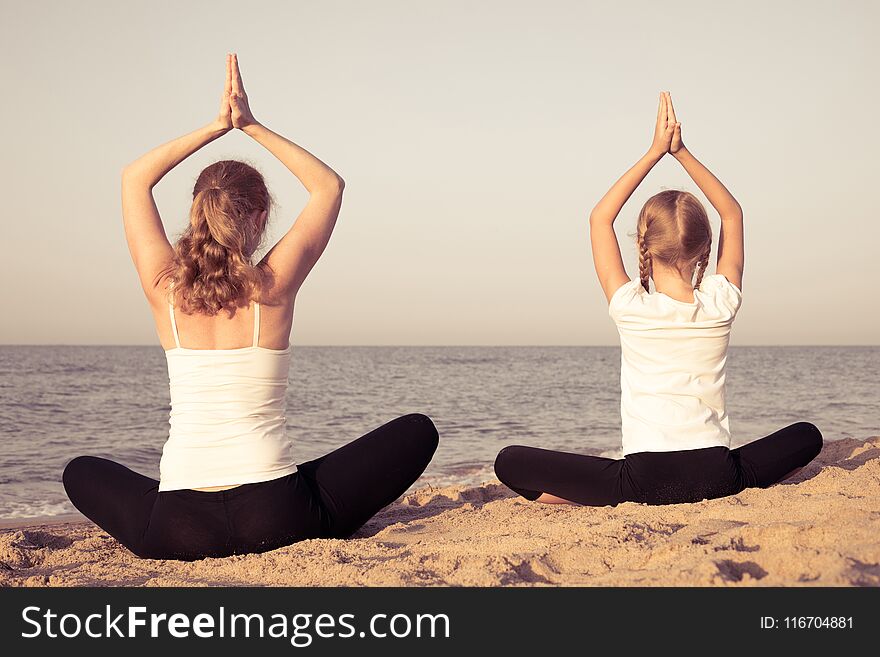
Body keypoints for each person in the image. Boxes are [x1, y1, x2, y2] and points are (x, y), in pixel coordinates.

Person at [62, 54, 438, 560]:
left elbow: (134, 179)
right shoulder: (272, 288)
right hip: (278, 516)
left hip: (177, 530)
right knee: (418, 430)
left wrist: (215, 127)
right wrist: (250, 125)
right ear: (260, 216)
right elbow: (329, 186)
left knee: (79, 471)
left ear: (196, 212)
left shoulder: (164, 288)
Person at [494, 92, 822, 507]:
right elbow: (733, 214)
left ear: (643, 245)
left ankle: (600, 495)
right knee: (808, 436)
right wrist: (682, 153)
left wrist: (654, 152)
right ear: (706, 251)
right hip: (717, 475)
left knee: (509, 462)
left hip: (644, 480)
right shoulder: (720, 304)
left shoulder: (631, 307)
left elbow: (599, 219)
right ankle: (731, 482)